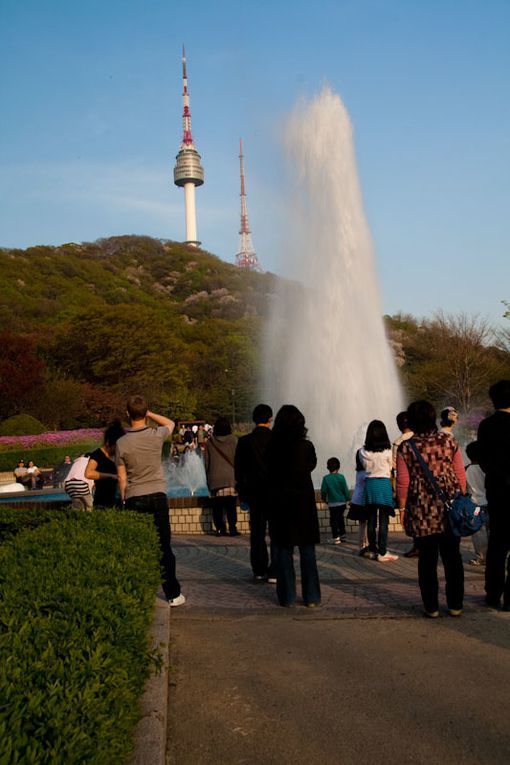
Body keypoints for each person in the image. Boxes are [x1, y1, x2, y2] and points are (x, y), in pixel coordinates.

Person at [396, 400, 466, 618]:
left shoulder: (406, 447)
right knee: (453, 557)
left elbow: (403, 483)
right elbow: (460, 473)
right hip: (450, 509)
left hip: (422, 510)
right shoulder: (448, 441)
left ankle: (431, 607)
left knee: (427, 560)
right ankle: (455, 605)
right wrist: (460, 498)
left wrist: (402, 508)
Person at [115, 395, 185, 607]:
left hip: (135, 496)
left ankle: (140, 592)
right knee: (164, 547)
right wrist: (149, 414)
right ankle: (172, 594)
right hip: (157, 495)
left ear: (127, 414)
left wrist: (125, 498)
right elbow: (171, 423)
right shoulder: (156, 434)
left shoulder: (121, 442)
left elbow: (121, 477)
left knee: (138, 545)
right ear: (145, 413)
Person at [266, 405, 321, 608]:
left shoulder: (271, 448)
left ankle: (287, 597)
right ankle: (312, 597)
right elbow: (311, 465)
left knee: (283, 552)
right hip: (303, 505)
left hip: (280, 504)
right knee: (308, 552)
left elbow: (268, 472)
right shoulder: (306, 447)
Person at [477, 380, 510, 611]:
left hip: (497, 491)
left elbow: (483, 458)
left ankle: (492, 594)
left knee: (497, 544)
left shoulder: (486, 426)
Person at [235, 403, 276, 582]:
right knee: (276, 532)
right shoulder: (278, 440)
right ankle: (275, 570)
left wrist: (243, 494)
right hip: (275, 494)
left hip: (255, 495)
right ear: (270, 419)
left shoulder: (245, 441)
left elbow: (238, 471)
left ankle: (259, 570)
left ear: (254, 420)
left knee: (257, 533)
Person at [361, 420, 398, 562]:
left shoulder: (363, 452)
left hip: (370, 485)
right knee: (383, 521)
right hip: (383, 485)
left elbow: (364, 468)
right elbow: (390, 469)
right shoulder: (388, 452)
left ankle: (372, 550)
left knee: (371, 521)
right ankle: (382, 552)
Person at [204, 417, 239, 537]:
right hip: (231, 478)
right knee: (231, 506)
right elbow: (238, 460)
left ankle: (220, 529)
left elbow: (206, 463)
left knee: (217, 507)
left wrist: (208, 479)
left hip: (215, 478)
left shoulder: (210, 443)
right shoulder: (234, 440)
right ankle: (233, 528)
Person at [393, 411, 418, 558]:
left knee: (414, 515)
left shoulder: (398, 443)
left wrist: (400, 506)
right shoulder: (421, 438)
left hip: (409, 485)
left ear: (398, 425)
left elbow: (396, 467)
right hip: (425, 482)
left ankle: (417, 545)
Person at [85, 420, 125, 508]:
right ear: (108, 443)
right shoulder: (97, 455)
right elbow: (88, 473)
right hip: (102, 501)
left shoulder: (119, 455)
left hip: (118, 500)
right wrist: (111, 476)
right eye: (116, 446)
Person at [464, 441, 488, 567]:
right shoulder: (487, 468)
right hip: (490, 503)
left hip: (475, 506)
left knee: (478, 531)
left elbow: (464, 488)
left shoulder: (466, 470)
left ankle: (481, 556)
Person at [320, 457, 350, 544]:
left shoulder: (326, 478)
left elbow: (323, 491)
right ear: (338, 467)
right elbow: (345, 490)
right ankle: (343, 535)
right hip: (342, 503)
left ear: (328, 468)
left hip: (333, 504)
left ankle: (335, 537)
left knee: (333, 520)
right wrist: (348, 498)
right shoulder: (341, 477)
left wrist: (324, 498)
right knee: (340, 518)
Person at [347, 448, 369, 556]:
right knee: (366, 524)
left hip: (357, 500)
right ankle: (365, 545)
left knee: (362, 524)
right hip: (363, 501)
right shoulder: (365, 472)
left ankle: (362, 545)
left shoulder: (359, 472)